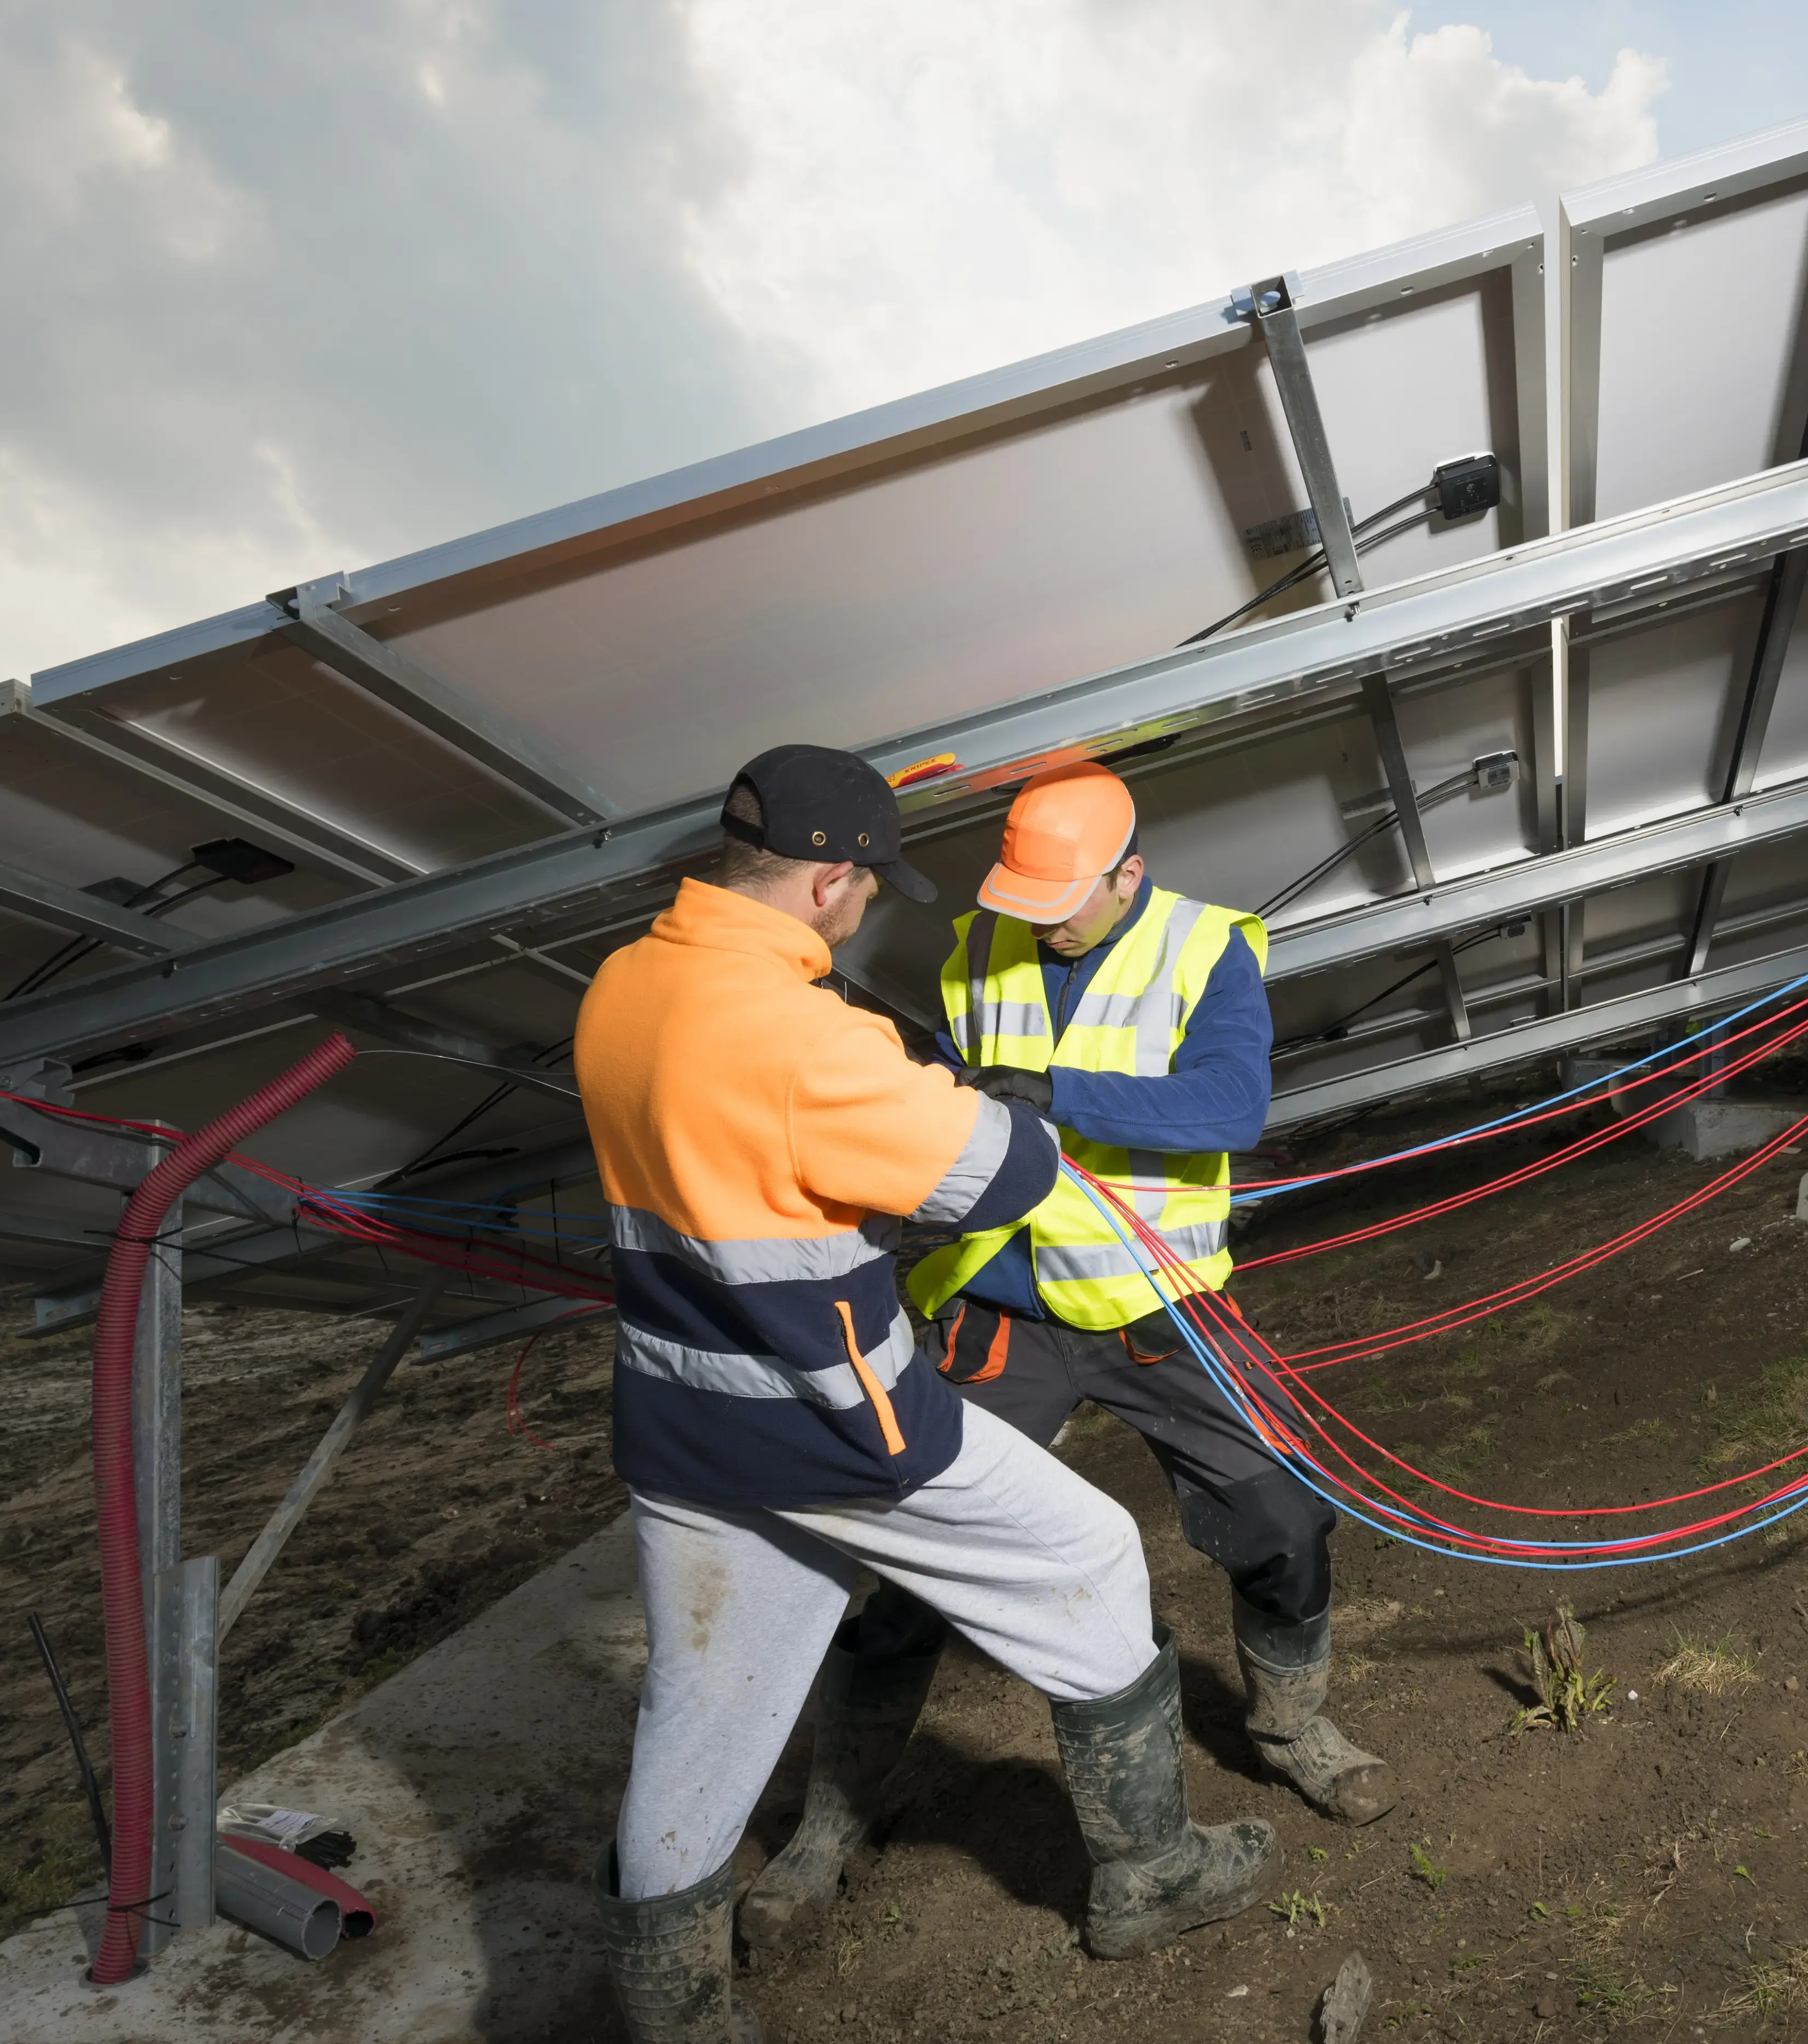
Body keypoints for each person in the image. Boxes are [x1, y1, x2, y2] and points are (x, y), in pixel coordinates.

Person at [579, 745, 1270, 2042]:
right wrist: (981, 1102)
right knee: (1093, 1554)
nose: (872, 907)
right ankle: (1152, 1872)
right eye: (866, 886)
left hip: (681, 1426)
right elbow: (996, 1179)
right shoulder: (800, 1034)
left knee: (703, 1707)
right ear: (831, 881)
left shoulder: (623, 984)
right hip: (831, 1419)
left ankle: (674, 2014)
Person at [740, 761, 1391, 1962]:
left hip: (1160, 1309)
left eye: (1063, 901)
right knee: (907, 1568)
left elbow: (1229, 1108)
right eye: (1022, 895)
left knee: (1284, 1519)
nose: (1035, 919)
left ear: (1130, 874)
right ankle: (827, 1826)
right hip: (1002, 1309)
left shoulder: (1207, 951)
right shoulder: (982, 946)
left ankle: (1295, 1729)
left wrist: (1053, 1091)